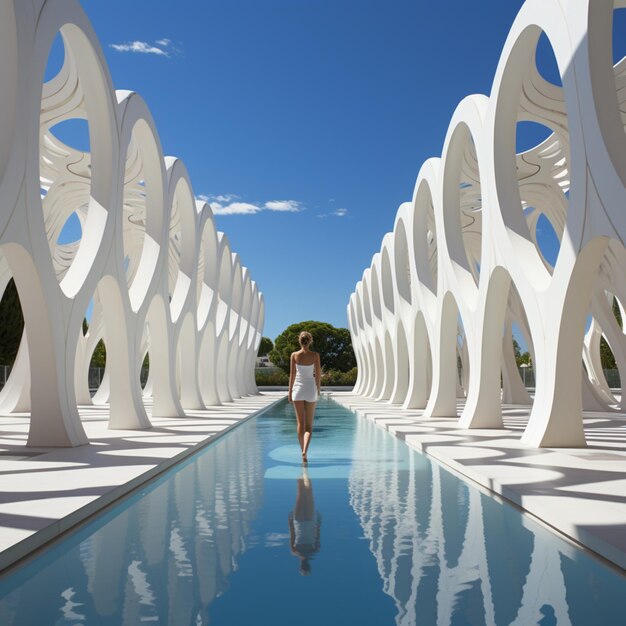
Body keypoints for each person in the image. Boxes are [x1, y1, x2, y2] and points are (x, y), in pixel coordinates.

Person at [288, 331, 321, 462]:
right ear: (310, 340)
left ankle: (302, 451)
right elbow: (318, 375)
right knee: (308, 427)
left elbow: (292, 375)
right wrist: (318, 389)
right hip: (310, 389)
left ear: (299, 341)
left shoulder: (294, 355)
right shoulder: (315, 355)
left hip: (298, 390)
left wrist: (289, 392)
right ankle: (305, 451)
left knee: (300, 424)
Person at [288, 466, 321, 575]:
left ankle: (300, 469)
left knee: (301, 492)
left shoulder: (295, 551)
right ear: (309, 566)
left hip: (299, 521)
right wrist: (319, 522)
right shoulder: (314, 551)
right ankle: (305, 470)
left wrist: (290, 522)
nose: (305, 565)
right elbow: (317, 536)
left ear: (301, 565)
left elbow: (292, 535)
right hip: (309, 520)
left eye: (303, 567)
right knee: (308, 491)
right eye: (306, 567)